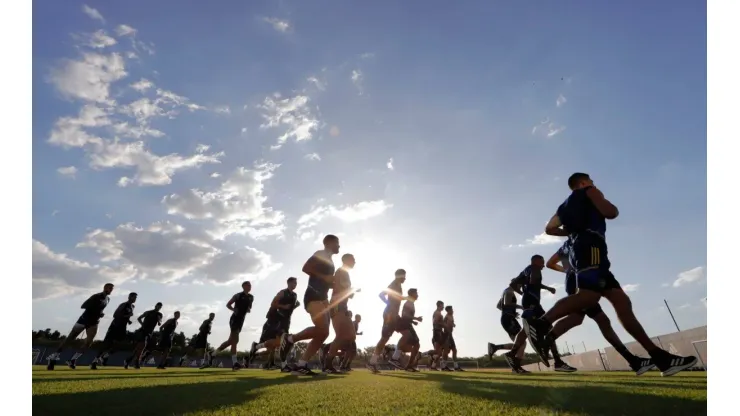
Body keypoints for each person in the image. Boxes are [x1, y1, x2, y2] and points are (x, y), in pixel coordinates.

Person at [527, 172, 697, 377]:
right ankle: (540, 324)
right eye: (590, 181)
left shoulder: (563, 207)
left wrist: (573, 231)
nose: (593, 183)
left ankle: (661, 358)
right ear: (583, 183)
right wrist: (602, 204)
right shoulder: (589, 191)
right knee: (589, 297)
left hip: (590, 251)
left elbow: (550, 229)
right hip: (592, 247)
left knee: (622, 302)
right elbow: (611, 212)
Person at [545, 239, 655, 375]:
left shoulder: (564, 247)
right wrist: (572, 270)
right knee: (601, 320)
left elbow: (550, 264)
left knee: (577, 319)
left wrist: (567, 271)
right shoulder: (578, 240)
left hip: (573, 282)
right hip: (581, 284)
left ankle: (633, 361)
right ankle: (633, 360)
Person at [279, 235, 340, 376]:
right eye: (337, 243)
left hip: (323, 298)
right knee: (322, 328)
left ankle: (301, 364)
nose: (339, 246)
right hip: (313, 296)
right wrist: (325, 278)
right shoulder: (321, 254)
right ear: (330, 243)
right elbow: (306, 268)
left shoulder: (330, 261)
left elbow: (325, 281)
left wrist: (335, 285)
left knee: (323, 333)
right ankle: (290, 339)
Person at [504, 257, 575, 372]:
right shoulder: (534, 269)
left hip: (529, 301)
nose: (543, 265)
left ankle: (512, 354)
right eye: (542, 262)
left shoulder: (526, 270)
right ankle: (557, 361)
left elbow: (513, 284)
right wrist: (547, 288)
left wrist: (523, 293)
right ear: (536, 261)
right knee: (548, 328)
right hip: (533, 303)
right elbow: (533, 282)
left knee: (525, 331)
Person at [46, 283, 114, 370]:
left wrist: (100, 314)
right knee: (70, 339)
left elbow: (100, 309)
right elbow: (83, 306)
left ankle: (73, 360)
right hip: (83, 320)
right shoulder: (96, 296)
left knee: (88, 342)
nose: (111, 290)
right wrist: (96, 311)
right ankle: (54, 357)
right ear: (105, 288)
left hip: (94, 323)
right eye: (109, 288)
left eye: (112, 289)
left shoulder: (108, 299)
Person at [247, 278, 299, 370]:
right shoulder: (282, 293)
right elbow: (273, 304)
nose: (295, 284)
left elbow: (293, 305)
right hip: (276, 319)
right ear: (288, 283)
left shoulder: (295, 295)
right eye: (293, 282)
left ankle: (257, 347)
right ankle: (283, 365)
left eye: (296, 283)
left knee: (277, 344)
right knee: (282, 342)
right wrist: (283, 306)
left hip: (286, 320)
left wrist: (294, 306)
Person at [322, 254, 358, 373]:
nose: (355, 261)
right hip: (337, 305)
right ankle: (327, 362)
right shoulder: (342, 271)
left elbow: (340, 287)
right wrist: (353, 290)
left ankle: (328, 358)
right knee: (343, 335)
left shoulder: (343, 272)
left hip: (342, 305)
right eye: (353, 259)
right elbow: (344, 287)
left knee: (350, 336)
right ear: (346, 260)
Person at [367, 269, 407, 373]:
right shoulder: (393, 284)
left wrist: (405, 298)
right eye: (403, 276)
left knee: (405, 334)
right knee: (384, 338)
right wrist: (388, 304)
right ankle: (373, 362)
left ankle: (394, 358)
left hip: (394, 315)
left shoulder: (398, 286)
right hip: (389, 314)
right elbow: (381, 294)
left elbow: (396, 298)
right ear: (398, 276)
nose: (405, 278)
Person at [488, 280, 530, 374]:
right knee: (521, 342)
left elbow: (499, 306)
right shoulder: (509, 291)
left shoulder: (505, 291)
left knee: (519, 343)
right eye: (520, 286)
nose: (520, 288)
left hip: (507, 318)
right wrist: (520, 307)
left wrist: (511, 313)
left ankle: (496, 347)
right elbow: (507, 304)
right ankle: (517, 367)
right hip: (508, 319)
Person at [212, 281, 254, 370]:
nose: (249, 286)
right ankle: (235, 363)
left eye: (250, 285)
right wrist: (234, 309)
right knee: (235, 340)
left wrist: (248, 310)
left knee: (230, 341)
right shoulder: (238, 295)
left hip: (241, 321)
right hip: (234, 319)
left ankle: (212, 354)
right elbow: (228, 304)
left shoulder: (251, 297)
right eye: (248, 285)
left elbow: (249, 308)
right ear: (243, 286)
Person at [91, 292, 137, 369]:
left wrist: (128, 320)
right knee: (106, 344)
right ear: (129, 297)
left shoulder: (132, 306)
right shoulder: (123, 305)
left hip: (122, 328)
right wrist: (128, 316)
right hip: (115, 326)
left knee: (121, 344)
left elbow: (125, 316)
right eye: (133, 297)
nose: (135, 299)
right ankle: (94, 362)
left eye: (136, 297)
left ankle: (105, 356)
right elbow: (115, 315)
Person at [389, 288, 423, 372]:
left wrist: (413, 321)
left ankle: (409, 366)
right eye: (416, 293)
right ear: (412, 294)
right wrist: (416, 318)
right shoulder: (408, 303)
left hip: (408, 324)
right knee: (407, 335)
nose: (417, 294)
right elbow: (404, 316)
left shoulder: (411, 303)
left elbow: (407, 316)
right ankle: (394, 357)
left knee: (417, 345)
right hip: (403, 323)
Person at [125, 302, 163, 369]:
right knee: (142, 346)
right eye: (158, 306)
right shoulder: (148, 312)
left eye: (160, 307)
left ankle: (128, 360)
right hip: (143, 331)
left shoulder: (159, 314)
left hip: (150, 333)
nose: (158, 308)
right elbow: (139, 318)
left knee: (139, 348)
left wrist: (159, 321)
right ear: (155, 306)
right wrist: (142, 324)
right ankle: (136, 362)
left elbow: (160, 322)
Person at [440, 305, 462, 371]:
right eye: (451, 309)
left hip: (450, 335)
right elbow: (442, 324)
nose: (453, 311)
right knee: (446, 350)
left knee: (454, 350)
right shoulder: (446, 317)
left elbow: (451, 323)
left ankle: (456, 367)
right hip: (446, 334)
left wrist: (453, 324)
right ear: (448, 310)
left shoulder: (451, 316)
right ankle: (443, 366)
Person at [429, 301, 445, 370]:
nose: (443, 307)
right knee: (438, 352)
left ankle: (433, 366)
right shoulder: (437, 313)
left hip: (439, 332)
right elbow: (435, 322)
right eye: (442, 305)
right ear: (439, 305)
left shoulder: (439, 313)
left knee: (440, 353)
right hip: (437, 332)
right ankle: (422, 354)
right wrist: (443, 324)